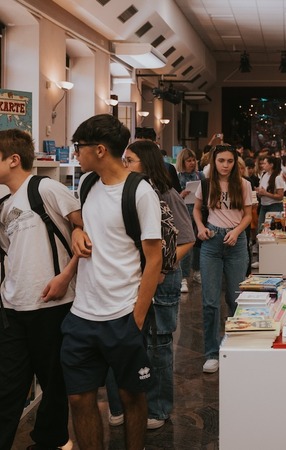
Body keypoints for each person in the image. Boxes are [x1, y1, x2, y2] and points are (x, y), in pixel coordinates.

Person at [62, 114, 163, 450]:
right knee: (78, 398)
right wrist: (77, 231)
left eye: (80, 147)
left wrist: (137, 315)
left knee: (131, 396)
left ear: (100, 150)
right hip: (82, 313)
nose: (76, 153)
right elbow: (87, 224)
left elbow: (154, 259)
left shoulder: (140, 192)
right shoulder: (87, 184)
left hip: (123, 312)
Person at [0, 129, 81, 450]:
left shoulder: (46, 187)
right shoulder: (4, 203)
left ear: (13, 159)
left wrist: (66, 275)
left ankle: (50, 441)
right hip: (12, 308)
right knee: (8, 385)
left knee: (54, 382)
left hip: (52, 305)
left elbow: (83, 228)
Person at [105, 140, 194, 430]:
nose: (125, 164)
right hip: (129, 280)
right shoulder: (122, 193)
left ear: (146, 162)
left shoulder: (166, 195)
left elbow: (187, 239)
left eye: (130, 160)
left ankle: (157, 408)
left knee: (158, 345)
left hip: (161, 283)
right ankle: (119, 406)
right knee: (123, 342)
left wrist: (163, 267)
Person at [193, 145, 252, 373]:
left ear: (235, 162)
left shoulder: (244, 184)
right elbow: (197, 210)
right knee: (210, 301)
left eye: (229, 161)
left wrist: (236, 232)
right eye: (221, 161)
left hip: (236, 243)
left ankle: (236, 346)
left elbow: (248, 215)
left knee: (236, 298)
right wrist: (199, 227)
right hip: (211, 242)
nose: (225, 165)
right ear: (214, 162)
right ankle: (211, 352)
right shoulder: (206, 183)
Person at [176, 148, 205, 291]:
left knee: (199, 244)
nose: (192, 163)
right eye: (189, 160)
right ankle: (183, 277)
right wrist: (181, 195)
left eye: (193, 160)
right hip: (183, 215)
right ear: (183, 162)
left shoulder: (200, 175)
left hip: (199, 213)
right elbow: (172, 198)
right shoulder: (177, 177)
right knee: (186, 246)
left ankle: (197, 271)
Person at [256, 155, 285, 230]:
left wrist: (265, 193)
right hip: (263, 205)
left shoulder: (277, 177)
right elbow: (261, 190)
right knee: (260, 227)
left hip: (274, 206)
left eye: (265, 163)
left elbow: (280, 196)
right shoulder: (264, 175)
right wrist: (260, 193)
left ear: (271, 165)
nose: (263, 165)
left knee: (273, 228)